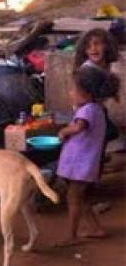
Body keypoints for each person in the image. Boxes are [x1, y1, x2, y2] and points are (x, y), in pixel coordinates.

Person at [54, 65, 120, 247]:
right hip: (84, 163)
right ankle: (95, 228)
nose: (70, 92)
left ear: (87, 92)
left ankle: (71, 235)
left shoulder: (87, 110)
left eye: (73, 89)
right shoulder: (95, 108)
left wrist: (64, 131)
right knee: (80, 198)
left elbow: (79, 127)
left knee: (73, 198)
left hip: (81, 165)